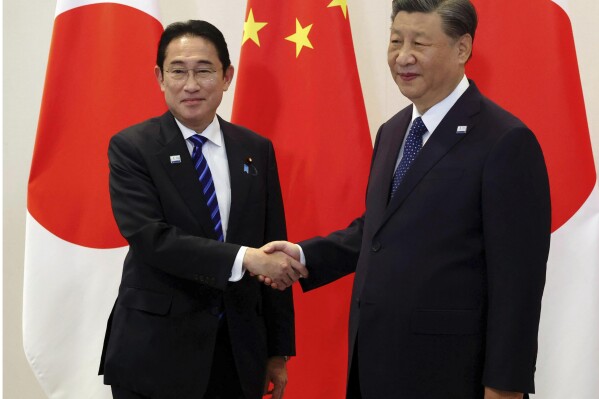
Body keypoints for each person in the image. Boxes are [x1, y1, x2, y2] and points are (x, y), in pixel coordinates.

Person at [264, 1, 551, 398]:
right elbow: (379, 230)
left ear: (462, 48)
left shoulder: (504, 140)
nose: (403, 56)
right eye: (395, 41)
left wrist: (504, 388)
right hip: (373, 364)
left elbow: (518, 283)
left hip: (449, 374)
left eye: (419, 42)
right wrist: (304, 256)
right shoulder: (394, 131)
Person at [99, 20, 307, 399]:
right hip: (156, 353)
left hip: (237, 350)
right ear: (160, 77)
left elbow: (271, 245)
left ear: (227, 76)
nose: (190, 85)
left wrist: (277, 352)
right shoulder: (133, 147)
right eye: (178, 71)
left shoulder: (255, 148)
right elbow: (152, 239)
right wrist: (244, 259)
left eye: (204, 70)